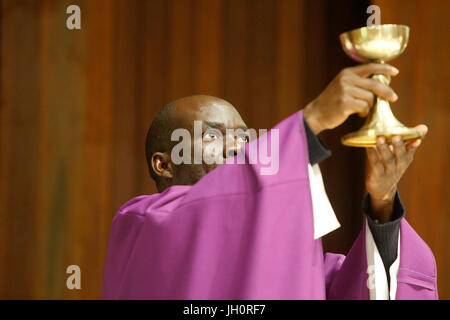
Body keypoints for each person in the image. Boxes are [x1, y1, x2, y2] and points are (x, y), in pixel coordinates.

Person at [102, 63, 437, 299]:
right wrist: (314, 119)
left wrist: (382, 202)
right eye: (211, 135)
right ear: (163, 165)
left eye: (244, 137)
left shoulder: (293, 266)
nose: (237, 146)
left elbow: (365, 288)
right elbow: (199, 218)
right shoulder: (141, 225)